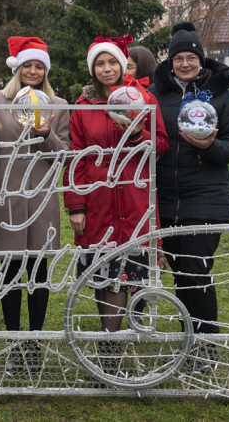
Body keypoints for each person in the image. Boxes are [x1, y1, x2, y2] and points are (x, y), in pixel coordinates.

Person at [63, 35, 169, 374]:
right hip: (97, 201)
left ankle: (115, 347)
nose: (106, 69)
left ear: (122, 65)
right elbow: (75, 157)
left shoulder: (143, 98)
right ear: (93, 69)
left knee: (129, 274)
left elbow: (161, 144)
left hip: (135, 198)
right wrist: (76, 204)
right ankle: (110, 349)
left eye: (112, 62)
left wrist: (138, 135)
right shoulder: (83, 105)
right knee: (102, 274)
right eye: (100, 63)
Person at [149, 21, 229, 369]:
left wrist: (209, 147)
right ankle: (188, 341)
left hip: (205, 199)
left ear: (201, 60)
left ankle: (205, 347)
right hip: (164, 199)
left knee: (195, 273)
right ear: (171, 61)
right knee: (180, 274)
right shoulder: (156, 94)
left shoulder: (221, 95)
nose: (185, 64)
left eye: (192, 57)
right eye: (179, 58)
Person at [0, 36, 70, 375]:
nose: (33, 71)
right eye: (28, 65)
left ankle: (34, 343)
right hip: (5, 196)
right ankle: (13, 344)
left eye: (39, 66)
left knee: (38, 272)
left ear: (45, 71)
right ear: (17, 68)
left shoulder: (58, 104)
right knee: (9, 271)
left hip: (41, 197)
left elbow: (64, 153)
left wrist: (46, 134)